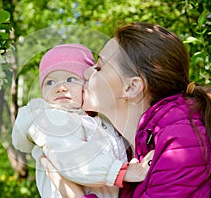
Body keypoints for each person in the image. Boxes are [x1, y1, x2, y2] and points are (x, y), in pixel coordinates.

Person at [41, 22, 211, 198]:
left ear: (131, 87)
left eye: (99, 67)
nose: (86, 73)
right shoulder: (124, 148)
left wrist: (70, 192)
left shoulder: (181, 138)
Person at [12, 44, 152, 198]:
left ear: (88, 84)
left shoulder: (98, 119)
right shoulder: (52, 119)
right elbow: (72, 159)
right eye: (50, 82)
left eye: (71, 79)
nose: (60, 87)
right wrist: (121, 172)